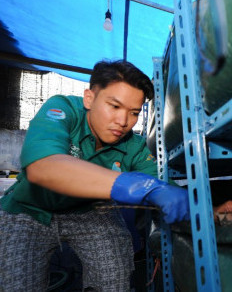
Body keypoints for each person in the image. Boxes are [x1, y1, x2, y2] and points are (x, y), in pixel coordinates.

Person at [0, 60, 190, 291]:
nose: (123, 122)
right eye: (114, 106)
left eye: (134, 113)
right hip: (29, 209)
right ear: (89, 98)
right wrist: (126, 184)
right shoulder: (63, 109)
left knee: (114, 277)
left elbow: (161, 183)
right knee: (17, 283)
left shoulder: (135, 146)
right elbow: (41, 166)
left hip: (89, 211)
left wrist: (207, 208)